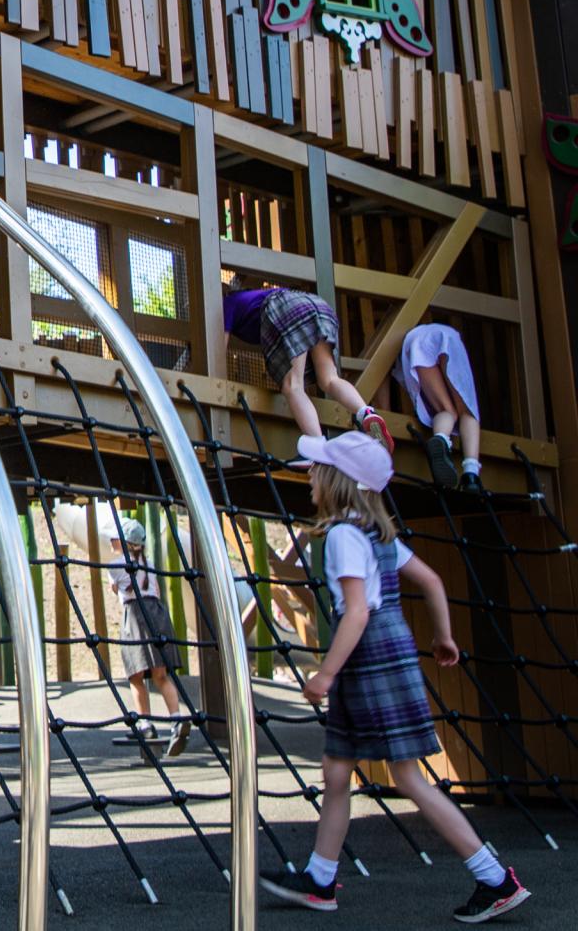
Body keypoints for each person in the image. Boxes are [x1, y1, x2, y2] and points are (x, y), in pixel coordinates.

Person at [259, 433, 529, 920]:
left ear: (338, 482)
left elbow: (357, 613)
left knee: (407, 776)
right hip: (391, 649)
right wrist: (443, 636)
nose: (310, 477)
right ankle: (320, 878)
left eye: (317, 470)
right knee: (337, 770)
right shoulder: (379, 534)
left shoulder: (342, 535)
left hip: (368, 657)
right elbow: (432, 581)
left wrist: (325, 674)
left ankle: (493, 877)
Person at [224, 280, 389, 450]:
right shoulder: (250, 298)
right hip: (318, 306)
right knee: (329, 379)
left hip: (289, 309)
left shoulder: (225, 304)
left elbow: (217, 352)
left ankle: (316, 445)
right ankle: (366, 413)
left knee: (293, 386)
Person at [108, 515, 192, 759]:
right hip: (158, 614)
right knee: (160, 674)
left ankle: (145, 724)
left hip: (135, 616)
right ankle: (176, 719)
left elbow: (116, 589)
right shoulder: (149, 563)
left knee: (135, 675)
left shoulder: (115, 565)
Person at [399, 322, 486, 493]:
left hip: (413, 342)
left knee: (445, 410)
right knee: (467, 410)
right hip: (445, 336)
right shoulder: (450, 333)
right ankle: (471, 474)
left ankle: (441, 438)